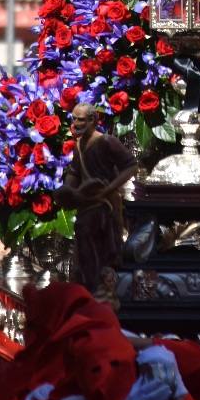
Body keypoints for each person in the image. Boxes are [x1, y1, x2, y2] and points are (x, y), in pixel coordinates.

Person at [57, 104, 137, 296]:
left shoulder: (107, 141)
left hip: (104, 205)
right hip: (86, 202)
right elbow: (74, 172)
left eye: (81, 120)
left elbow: (131, 166)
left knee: (101, 246)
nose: (76, 124)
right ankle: (87, 286)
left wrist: (109, 189)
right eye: (74, 119)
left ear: (93, 120)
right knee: (83, 243)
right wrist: (68, 191)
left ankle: (100, 288)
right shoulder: (79, 145)